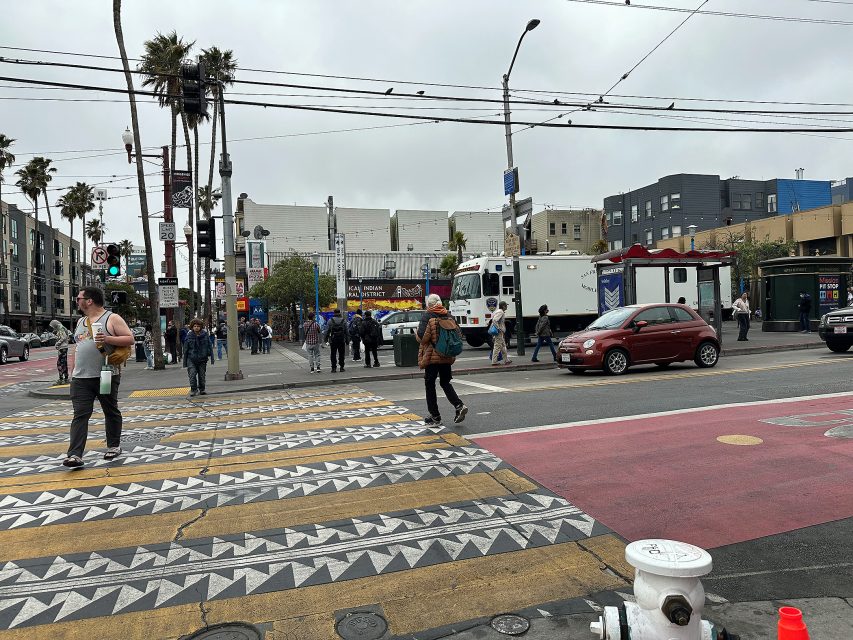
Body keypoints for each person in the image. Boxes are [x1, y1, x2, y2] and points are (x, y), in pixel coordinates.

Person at [63, 286, 135, 468]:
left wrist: (107, 339)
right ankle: (74, 455)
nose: (77, 301)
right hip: (81, 378)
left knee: (110, 410)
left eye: (79, 298)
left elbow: (130, 338)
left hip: (106, 374)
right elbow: (77, 348)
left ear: (89, 301)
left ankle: (113, 445)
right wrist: (72, 373)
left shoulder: (111, 318)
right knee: (80, 415)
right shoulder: (81, 322)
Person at [416, 293, 468, 426]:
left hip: (432, 357)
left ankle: (435, 416)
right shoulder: (449, 315)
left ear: (429, 305)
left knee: (430, 384)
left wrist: (416, 333)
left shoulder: (428, 316)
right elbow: (459, 334)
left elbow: (423, 338)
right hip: (446, 355)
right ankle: (459, 405)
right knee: (445, 382)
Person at [183, 318, 215, 397]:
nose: (196, 327)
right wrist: (185, 362)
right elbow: (185, 349)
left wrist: (211, 358)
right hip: (191, 358)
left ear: (201, 327)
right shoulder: (189, 336)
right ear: (192, 327)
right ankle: (193, 389)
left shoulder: (205, 335)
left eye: (198, 326)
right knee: (192, 374)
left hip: (202, 359)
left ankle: (202, 389)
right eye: (194, 326)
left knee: (202, 375)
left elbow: (209, 346)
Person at [324, 308, 349, 372]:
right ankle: (341, 367)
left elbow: (327, 331)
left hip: (333, 340)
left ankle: (333, 368)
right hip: (341, 340)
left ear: (334, 313)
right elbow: (347, 331)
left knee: (333, 354)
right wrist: (347, 340)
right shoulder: (344, 321)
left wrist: (325, 339)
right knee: (341, 354)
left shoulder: (330, 321)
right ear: (339, 312)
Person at [50, 319, 71, 384]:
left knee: (60, 363)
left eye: (53, 326)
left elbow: (63, 337)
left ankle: (61, 378)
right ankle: (66, 378)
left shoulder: (61, 329)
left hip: (62, 348)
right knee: (63, 363)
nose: (53, 328)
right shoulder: (63, 328)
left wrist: (57, 343)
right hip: (64, 347)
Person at [490, 301, 511, 365]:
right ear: (503, 306)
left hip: (500, 332)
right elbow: (494, 320)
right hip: (499, 332)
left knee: (503, 346)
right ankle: (494, 361)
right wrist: (498, 328)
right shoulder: (500, 312)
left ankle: (506, 360)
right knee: (497, 347)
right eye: (506, 305)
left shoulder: (498, 311)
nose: (507, 307)